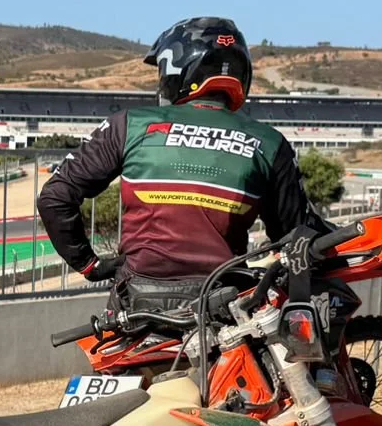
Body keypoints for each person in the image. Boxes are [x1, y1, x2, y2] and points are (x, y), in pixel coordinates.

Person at [37, 18, 319, 304]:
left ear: (178, 69)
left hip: (137, 301)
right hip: (226, 304)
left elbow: (54, 197)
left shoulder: (129, 125)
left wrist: (89, 265)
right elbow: (296, 235)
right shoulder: (270, 143)